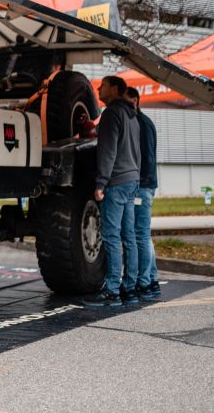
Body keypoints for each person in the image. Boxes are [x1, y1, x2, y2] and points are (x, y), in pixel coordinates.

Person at [84, 75, 141, 307]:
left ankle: (111, 291)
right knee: (129, 236)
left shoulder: (111, 114)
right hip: (131, 179)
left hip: (116, 182)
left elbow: (107, 151)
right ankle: (130, 287)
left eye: (103, 85)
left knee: (110, 235)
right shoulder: (133, 115)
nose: (98, 88)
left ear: (115, 89)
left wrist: (101, 183)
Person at [126, 86, 162, 299]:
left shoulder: (143, 124)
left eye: (128, 101)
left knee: (140, 233)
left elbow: (147, 157)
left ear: (136, 101)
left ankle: (146, 281)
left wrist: (139, 184)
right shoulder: (137, 122)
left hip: (143, 186)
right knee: (142, 234)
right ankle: (151, 278)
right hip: (143, 185)